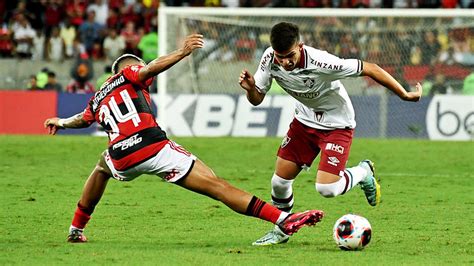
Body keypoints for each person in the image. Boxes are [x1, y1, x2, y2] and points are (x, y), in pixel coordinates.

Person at [44, 33, 324, 244]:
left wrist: (61, 123)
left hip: (119, 155)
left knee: (101, 168)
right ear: (128, 68)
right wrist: (182, 52)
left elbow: (82, 118)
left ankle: (76, 229)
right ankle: (284, 219)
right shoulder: (129, 75)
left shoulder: (98, 96)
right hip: (151, 145)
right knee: (217, 186)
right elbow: (148, 70)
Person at [239, 22, 422, 246]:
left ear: (300, 46)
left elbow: (371, 68)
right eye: (280, 57)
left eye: (290, 56)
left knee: (326, 188)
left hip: (337, 124)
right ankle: (282, 230)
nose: (285, 62)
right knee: (279, 182)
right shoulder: (269, 59)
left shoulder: (322, 62)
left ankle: (363, 172)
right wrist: (251, 90)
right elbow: (257, 99)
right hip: (304, 121)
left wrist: (403, 94)